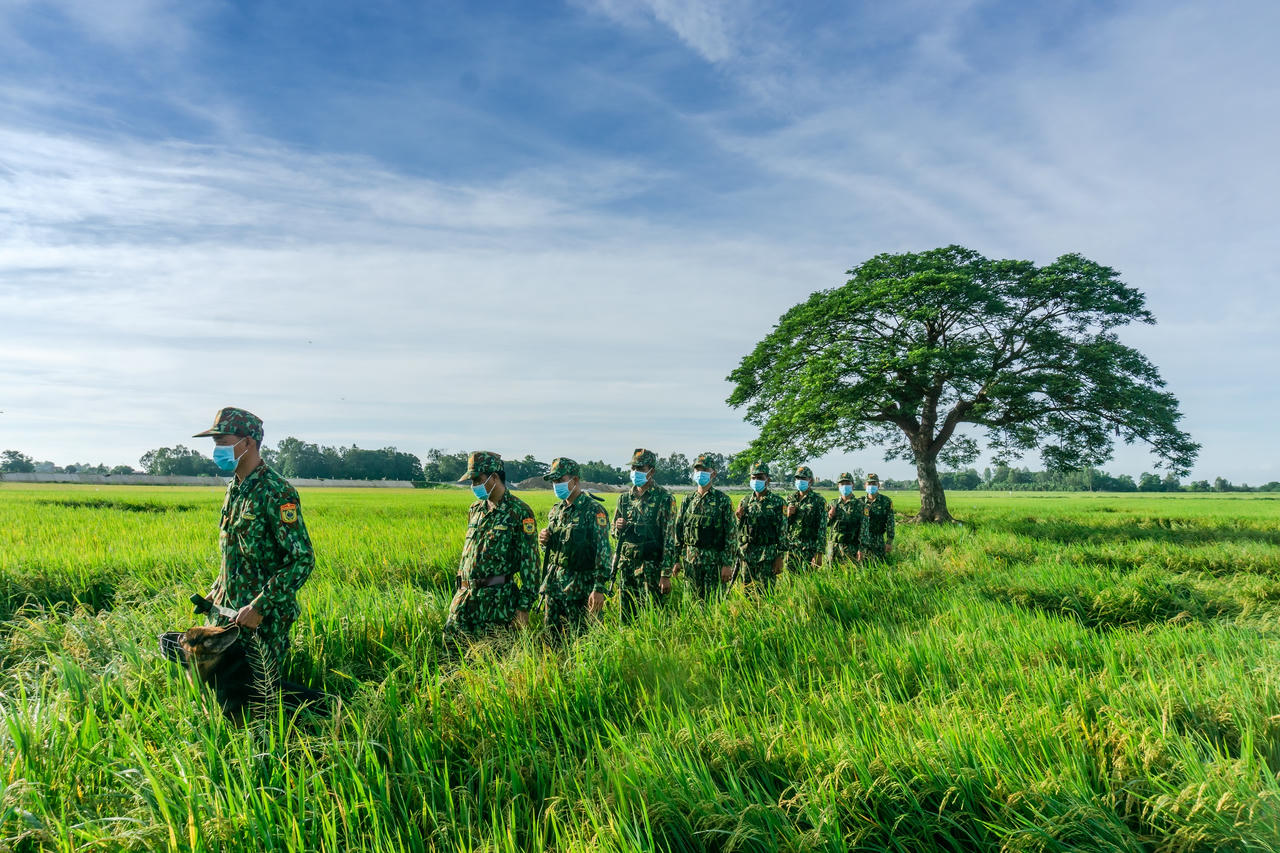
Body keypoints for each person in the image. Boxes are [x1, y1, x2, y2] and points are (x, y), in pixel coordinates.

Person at [192, 407, 315, 672]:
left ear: (247, 442)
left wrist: (259, 607)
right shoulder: (234, 487)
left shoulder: (276, 491)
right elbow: (236, 551)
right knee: (227, 695)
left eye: (222, 443)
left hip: (263, 622)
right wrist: (218, 588)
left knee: (261, 698)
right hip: (228, 615)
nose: (216, 451)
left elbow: (301, 559)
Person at [444, 451, 540, 644]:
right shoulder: (475, 509)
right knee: (452, 649)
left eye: (477, 480)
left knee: (493, 657)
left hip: (496, 602)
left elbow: (531, 563)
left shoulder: (519, 511)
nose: (474, 486)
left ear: (494, 477)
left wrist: (523, 607)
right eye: (471, 482)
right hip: (465, 597)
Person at [539, 457, 611, 636]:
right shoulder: (556, 510)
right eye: (554, 481)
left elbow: (603, 551)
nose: (556, 485)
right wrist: (544, 541)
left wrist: (598, 589)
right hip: (554, 587)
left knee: (582, 640)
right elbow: (555, 548)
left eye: (560, 480)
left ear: (575, 480)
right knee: (552, 638)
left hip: (580, 588)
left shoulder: (593, 510)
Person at [613, 448, 677, 619]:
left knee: (653, 618)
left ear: (652, 471)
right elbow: (614, 533)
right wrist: (617, 527)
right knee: (626, 617)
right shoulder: (624, 499)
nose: (635, 472)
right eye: (633, 468)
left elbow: (669, 539)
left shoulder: (664, 498)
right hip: (627, 568)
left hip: (651, 570)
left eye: (640, 469)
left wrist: (665, 574)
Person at [673, 452, 737, 600]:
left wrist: (727, 564)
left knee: (713, 605)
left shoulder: (723, 501)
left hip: (714, 563)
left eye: (704, 470)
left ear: (713, 474)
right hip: (690, 563)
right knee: (691, 603)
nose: (700, 473)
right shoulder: (687, 501)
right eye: (697, 470)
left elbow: (731, 534)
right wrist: (675, 559)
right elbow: (678, 532)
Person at [735, 462, 787, 591]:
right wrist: (738, 518)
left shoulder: (778, 502)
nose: (756, 480)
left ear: (768, 480)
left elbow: (783, 531)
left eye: (760, 477)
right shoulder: (745, 501)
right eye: (753, 478)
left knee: (766, 592)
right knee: (747, 591)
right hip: (747, 554)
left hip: (767, 555)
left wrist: (780, 557)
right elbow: (739, 530)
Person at [784, 464, 827, 573]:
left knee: (808, 581)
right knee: (791, 582)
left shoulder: (818, 501)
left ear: (810, 481)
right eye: (797, 478)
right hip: (792, 547)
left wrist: (819, 553)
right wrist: (787, 515)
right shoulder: (790, 498)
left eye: (803, 478)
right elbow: (783, 525)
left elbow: (822, 528)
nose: (800, 481)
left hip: (809, 548)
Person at [826, 472, 864, 564]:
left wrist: (862, 549)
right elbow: (824, 524)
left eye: (847, 483)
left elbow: (864, 529)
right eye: (842, 484)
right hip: (834, 546)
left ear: (852, 485)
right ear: (838, 486)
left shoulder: (860, 505)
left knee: (852, 574)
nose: (845, 486)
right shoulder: (833, 503)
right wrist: (830, 516)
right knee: (831, 574)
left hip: (851, 547)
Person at [858, 473, 896, 561]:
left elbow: (890, 522)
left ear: (878, 485)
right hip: (862, 541)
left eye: (874, 484)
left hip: (878, 540)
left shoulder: (886, 501)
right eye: (869, 484)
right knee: (861, 566)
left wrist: (889, 542)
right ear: (865, 485)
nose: (871, 486)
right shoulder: (859, 502)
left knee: (879, 565)